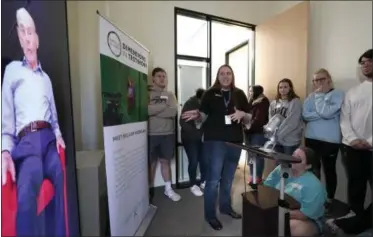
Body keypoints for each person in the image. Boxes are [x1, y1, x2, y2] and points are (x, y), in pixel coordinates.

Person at [1, 8, 66, 236]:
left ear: (37, 39)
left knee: (60, 178)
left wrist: (58, 135)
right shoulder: (11, 72)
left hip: (48, 141)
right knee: (26, 193)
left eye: (30, 33)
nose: (27, 39)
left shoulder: (46, 78)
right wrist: (5, 152)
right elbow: (6, 123)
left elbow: (54, 118)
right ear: (19, 39)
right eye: (22, 34)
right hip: (26, 144)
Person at [181, 65, 251, 231]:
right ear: (217, 76)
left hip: (235, 142)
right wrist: (198, 115)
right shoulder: (209, 94)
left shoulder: (239, 94)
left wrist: (243, 115)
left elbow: (249, 117)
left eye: (228, 73)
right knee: (213, 181)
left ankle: (225, 208)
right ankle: (210, 215)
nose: (225, 76)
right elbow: (203, 115)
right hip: (215, 143)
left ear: (232, 76)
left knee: (228, 179)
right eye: (222, 73)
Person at [302, 68, 344, 213]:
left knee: (329, 170)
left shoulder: (338, 94)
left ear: (328, 79)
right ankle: (314, 197)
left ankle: (330, 200)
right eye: (315, 80)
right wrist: (323, 114)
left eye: (321, 79)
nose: (317, 83)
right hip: (311, 138)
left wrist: (320, 100)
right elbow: (305, 115)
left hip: (330, 141)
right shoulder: (310, 97)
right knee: (313, 170)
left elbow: (327, 113)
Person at [264, 147, 327, 236]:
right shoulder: (281, 169)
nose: (293, 158)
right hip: (281, 210)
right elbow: (266, 187)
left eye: (298, 158)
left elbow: (305, 215)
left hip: (308, 218)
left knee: (288, 227)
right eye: (293, 155)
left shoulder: (313, 185)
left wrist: (280, 213)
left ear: (307, 166)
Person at [339, 49, 372, 218]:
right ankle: (355, 217)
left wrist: (369, 142)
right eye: (363, 63)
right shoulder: (353, 92)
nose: (365, 65)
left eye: (369, 61)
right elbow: (344, 119)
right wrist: (353, 140)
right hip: (352, 148)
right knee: (356, 185)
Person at [148, 67, 181, 202]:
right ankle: (147, 191)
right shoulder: (147, 94)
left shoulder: (170, 95)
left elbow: (173, 112)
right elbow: (146, 110)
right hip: (151, 134)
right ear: (153, 78)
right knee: (150, 164)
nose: (162, 78)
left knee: (165, 162)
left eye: (164, 76)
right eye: (159, 76)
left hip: (168, 134)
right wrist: (164, 107)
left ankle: (168, 189)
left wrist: (155, 110)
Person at [179, 88, 206, 196]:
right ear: (198, 98)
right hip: (189, 138)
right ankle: (193, 185)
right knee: (194, 161)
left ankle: (204, 181)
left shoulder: (205, 105)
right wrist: (197, 133)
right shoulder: (189, 104)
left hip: (202, 138)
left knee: (204, 160)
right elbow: (183, 122)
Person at [269, 78, 303, 155]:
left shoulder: (295, 102)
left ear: (290, 88)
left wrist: (278, 134)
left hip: (290, 140)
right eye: (280, 87)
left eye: (285, 87)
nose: (282, 89)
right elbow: (271, 120)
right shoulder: (273, 103)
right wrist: (273, 135)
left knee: (289, 165)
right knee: (279, 165)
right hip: (276, 140)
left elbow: (292, 122)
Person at [245, 85, 269, 185]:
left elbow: (259, 120)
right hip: (249, 131)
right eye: (249, 91)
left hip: (258, 133)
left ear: (256, 92)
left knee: (258, 155)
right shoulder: (251, 101)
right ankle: (252, 175)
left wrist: (248, 127)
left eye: (251, 91)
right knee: (251, 155)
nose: (249, 93)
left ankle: (258, 177)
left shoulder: (263, 101)